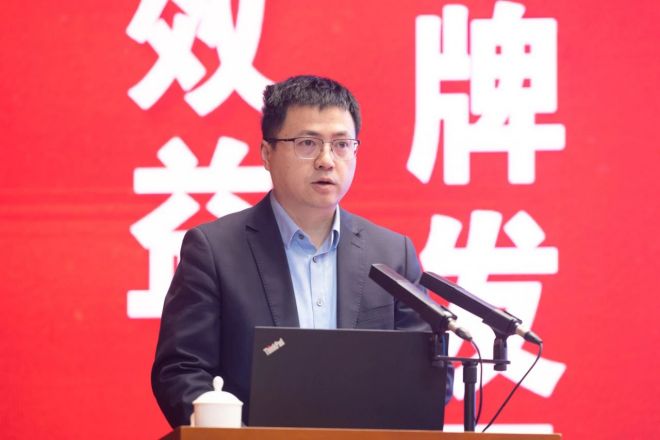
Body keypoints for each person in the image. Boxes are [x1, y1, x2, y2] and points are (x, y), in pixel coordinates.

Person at [151, 75, 453, 428]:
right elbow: (182, 370)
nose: (326, 160)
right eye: (308, 143)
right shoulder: (215, 251)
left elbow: (429, 374)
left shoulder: (392, 254)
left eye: (341, 144)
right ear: (267, 154)